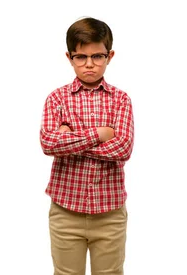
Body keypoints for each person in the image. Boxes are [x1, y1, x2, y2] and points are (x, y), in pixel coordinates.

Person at [40, 17, 135, 275]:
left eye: (97, 56)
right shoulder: (57, 98)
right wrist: (100, 134)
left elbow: (123, 148)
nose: (89, 64)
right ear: (69, 57)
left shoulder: (121, 100)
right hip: (65, 212)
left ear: (110, 55)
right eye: (81, 57)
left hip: (110, 214)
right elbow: (49, 143)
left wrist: (69, 140)